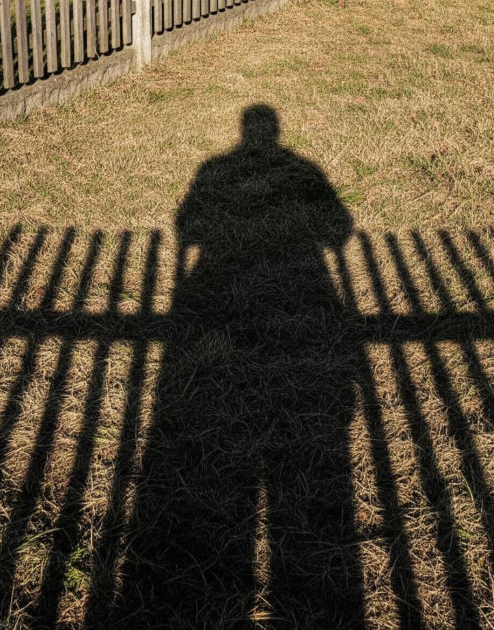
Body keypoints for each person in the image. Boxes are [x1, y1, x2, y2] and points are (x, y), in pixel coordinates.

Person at [118, 104, 364, 626]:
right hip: (303, 291)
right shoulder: (296, 169)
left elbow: (186, 224)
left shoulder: (215, 169)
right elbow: (339, 227)